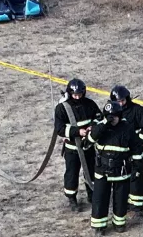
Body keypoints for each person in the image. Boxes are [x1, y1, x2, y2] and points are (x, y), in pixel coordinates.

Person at [88, 100, 136, 234]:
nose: (112, 119)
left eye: (114, 116)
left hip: (121, 170)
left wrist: (136, 168)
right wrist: (104, 124)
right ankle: (99, 226)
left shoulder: (127, 128)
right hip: (102, 170)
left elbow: (136, 148)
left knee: (120, 199)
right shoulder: (100, 127)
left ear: (119, 116)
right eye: (109, 116)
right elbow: (90, 140)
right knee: (100, 199)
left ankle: (119, 223)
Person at [54, 79, 100, 212]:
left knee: (91, 172)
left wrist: (92, 127)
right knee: (72, 174)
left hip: (88, 146)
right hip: (72, 149)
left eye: (80, 94)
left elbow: (98, 118)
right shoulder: (62, 108)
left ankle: (92, 195)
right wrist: (77, 132)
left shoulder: (90, 104)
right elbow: (60, 129)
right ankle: (72, 198)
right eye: (75, 95)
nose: (78, 97)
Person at [110, 85, 143, 212]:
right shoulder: (113, 113)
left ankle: (137, 205)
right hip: (122, 152)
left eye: (123, 100)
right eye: (118, 101)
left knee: (136, 176)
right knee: (124, 176)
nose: (121, 104)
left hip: (137, 153)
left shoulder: (138, 111)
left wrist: (137, 144)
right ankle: (126, 201)